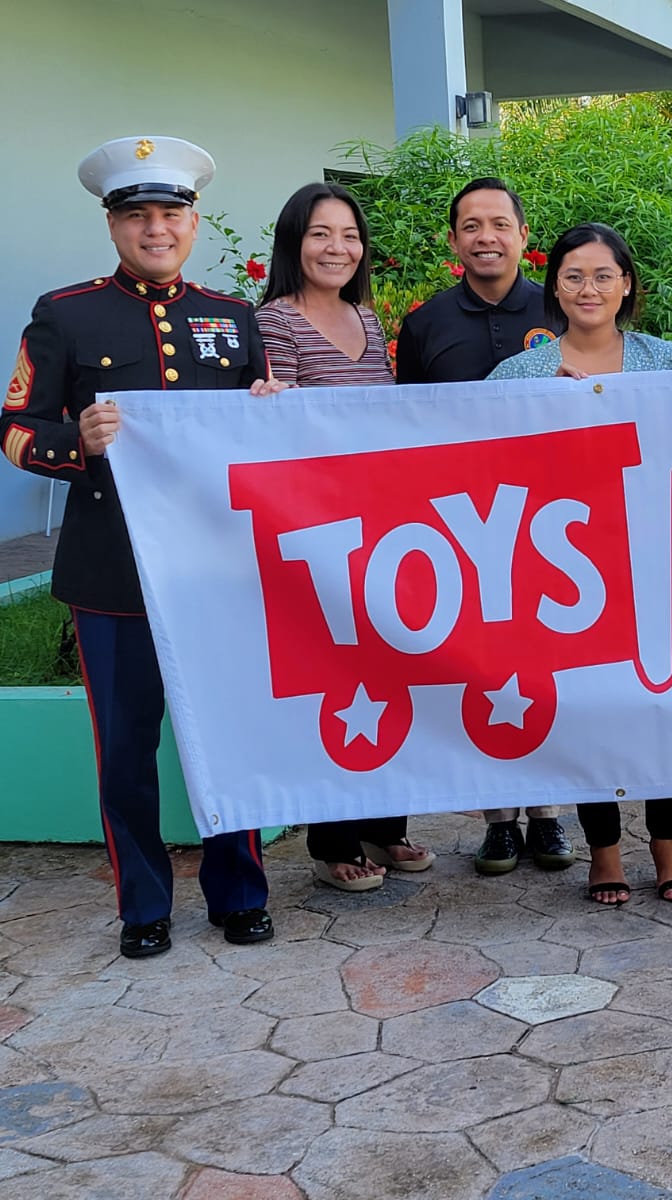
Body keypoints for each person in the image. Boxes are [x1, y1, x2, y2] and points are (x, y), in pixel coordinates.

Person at [1, 136, 279, 958]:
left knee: (231, 739)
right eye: (137, 216)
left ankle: (240, 892)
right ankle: (144, 905)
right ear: (113, 224)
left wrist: (269, 407)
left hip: (218, 572)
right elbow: (15, 429)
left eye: (171, 213)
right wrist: (74, 440)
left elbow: (253, 444)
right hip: (112, 571)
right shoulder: (65, 314)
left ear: (193, 223)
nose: (156, 229)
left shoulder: (232, 320)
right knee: (125, 753)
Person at [490, 222, 672, 903]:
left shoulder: (665, 362)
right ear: (555, 286)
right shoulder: (521, 373)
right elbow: (485, 469)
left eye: (604, 275)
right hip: (565, 571)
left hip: (654, 559)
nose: (589, 288)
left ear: (627, 284)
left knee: (664, 704)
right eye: (575, 276)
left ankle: (667, 844)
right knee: (590, 708)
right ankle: (603, 854)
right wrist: (543, 410)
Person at [257, 181, 437, 892]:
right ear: (293, 243)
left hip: (381, 522)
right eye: (321, 234)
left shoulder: (365, 314)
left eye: (350, 235)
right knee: (334, 679)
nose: (338, 248)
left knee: (389, 669)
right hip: (315, 526)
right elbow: (286, 429)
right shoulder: (277, 319)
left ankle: (385, 826)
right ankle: (334, 840)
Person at [393, 176, 575, 877]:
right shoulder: (426, 323)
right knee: (481, 662)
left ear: (525, 236)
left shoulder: (563, 306)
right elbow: (405, 427)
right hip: (461, 522)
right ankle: (500, 818)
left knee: (555, 660)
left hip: (552, 519)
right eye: (471, 225)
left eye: (500, 223)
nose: (486, 236)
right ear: (453, 242)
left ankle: (552, 814)